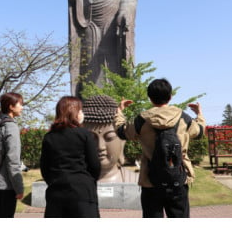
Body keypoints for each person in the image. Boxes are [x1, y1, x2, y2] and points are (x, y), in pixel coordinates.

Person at [115, 79, 206, 218]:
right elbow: (199, 132)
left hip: (150, 180)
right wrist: (199, 114)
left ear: (150, 98)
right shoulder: (183, 118)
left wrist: (119, 111)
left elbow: (121, 131)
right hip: (178, 179)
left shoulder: (142, 120)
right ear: (170, 96)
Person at [40, 96, 101, 217]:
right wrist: (88, 180)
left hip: (56, 192)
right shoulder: (85, 135)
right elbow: (94, 166)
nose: (82, 113)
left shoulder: (49, 137)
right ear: (74, 113)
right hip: (82, 191)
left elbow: (44, 168)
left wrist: (54, 181)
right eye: (80, 110)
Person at [0, 92, 25, 218]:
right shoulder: (11, 127)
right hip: (7, 184)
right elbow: (13, 160)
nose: (22, 107)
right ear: (11, 107)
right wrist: (19, 188)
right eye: (20, 104)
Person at [82, 95, 138, 183]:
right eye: (92, 138)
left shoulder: (135, 181)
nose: (100, 147)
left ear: (122, 141)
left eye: (109, 137)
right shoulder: (73, 184)